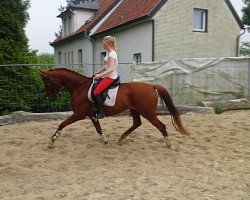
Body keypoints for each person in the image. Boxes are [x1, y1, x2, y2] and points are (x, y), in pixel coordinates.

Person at [92, 35, 119, 119]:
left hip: (111, 77)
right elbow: (105, 66)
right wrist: (98, 72)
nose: (103, 45)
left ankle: (101, 112)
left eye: (104, 44)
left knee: (96, 92)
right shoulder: (108, 53)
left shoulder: (112, 54)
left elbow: (111, 69)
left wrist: (100, 75)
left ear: (108, 44)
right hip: (106, 75)